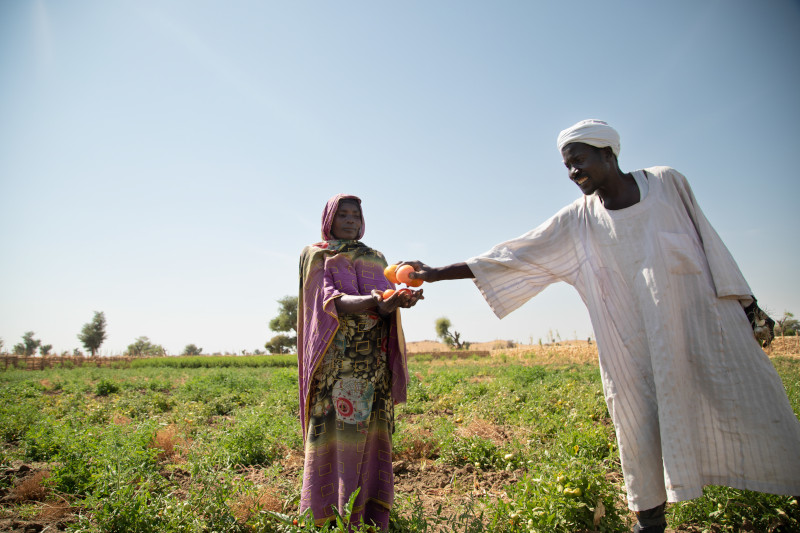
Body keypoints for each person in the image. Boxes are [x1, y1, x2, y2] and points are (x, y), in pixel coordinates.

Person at [403, 120, 800, 533]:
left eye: (579, 160)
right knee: (637, 425)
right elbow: (510, 256)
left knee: (750, 397)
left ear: (609, 153)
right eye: (567, 166)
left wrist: (749, 305)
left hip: (699, 328)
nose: (573, 172)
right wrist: (433, 273)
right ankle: (649, 521)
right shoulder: (579, 221)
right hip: (631, 348)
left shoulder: (667, 184)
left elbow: (709, 241)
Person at [297, 194, 423, 530]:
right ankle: (328, 514)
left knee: (371, 438)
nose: (351, 220)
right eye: (344, 215)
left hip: (374, 363)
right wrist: (375, 300)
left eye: (356, 214)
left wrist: (401, 299)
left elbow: (386, 302)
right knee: (336, 436)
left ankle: (368, 515)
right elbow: (327, 302)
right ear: (329, 219)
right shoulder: (317, 254)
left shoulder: (376, 258)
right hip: (338, 365)